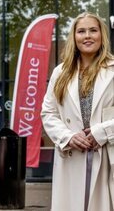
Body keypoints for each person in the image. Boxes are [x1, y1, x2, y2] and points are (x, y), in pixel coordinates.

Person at [41, 12, 114, 211]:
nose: (87, 36)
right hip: (72, 154)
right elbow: (48, 113)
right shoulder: (60, 72)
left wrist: (102, 132)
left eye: (93, 30)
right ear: (74, 37)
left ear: (102, 35)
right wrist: (68, 136)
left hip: (106, 154)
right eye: (81, 31)